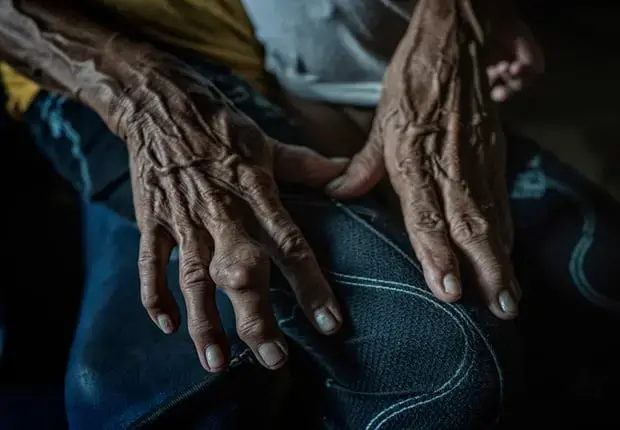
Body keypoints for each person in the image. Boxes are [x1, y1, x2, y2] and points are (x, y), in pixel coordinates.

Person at [0, 0, 559, 428]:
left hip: (282, 51)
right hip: (110, 66)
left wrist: (456, 17)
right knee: (440, 364)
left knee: (599, 269)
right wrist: (139, 94)